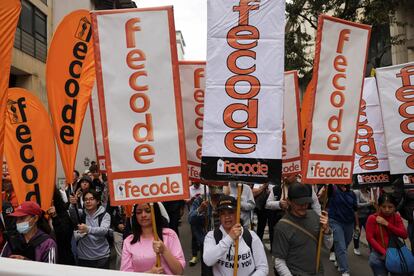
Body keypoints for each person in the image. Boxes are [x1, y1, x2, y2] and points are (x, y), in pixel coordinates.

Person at [273, 182, 333, 276]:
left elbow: (328, 246)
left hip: (317, 272)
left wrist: (326, 230)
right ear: (289, 201)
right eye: (299, 203)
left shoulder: (314, 216)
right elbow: (279, 261)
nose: (304, 206)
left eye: (306, 202)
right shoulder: (281, 227)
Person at [203, 195, 268, 276]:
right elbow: (208, 260)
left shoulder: (251, 236)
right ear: (219, 216)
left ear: (238, 213)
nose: (227, 217)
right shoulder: (211, 236)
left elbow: (263, 268)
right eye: (223, 213)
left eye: (231, 212)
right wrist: (229, 238)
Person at [120, 203, 185, 274]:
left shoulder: (169, 235)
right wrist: (149, 273)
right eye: (139, 212)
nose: (143, 215)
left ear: (155, 212)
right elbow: (125, 273)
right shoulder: (128, 241)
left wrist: (164, 251)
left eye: (148, 211)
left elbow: (179, 271)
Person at [366, 193, 408, 275]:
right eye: (384, 207)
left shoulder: (396, 217)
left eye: (390, 207)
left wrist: (387, 224)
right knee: (374, 261)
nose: (387, 209)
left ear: (394, 207)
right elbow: (370, 238)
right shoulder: (372, 218)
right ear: (379, 207)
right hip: (379, 255)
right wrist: (385, 253)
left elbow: (404, 235)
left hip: (396, 254)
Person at [70, 189, 111, 269]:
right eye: (85, 200)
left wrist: (88, 229)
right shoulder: (81, 213)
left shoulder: (105, 215)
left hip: (102, 256)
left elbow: (104, 230)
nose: (88, 202)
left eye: (91, 199)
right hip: (84, 257)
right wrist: (72, 204)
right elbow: (73, 213)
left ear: (98, 201)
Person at [189, 186, 223, 275]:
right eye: (214, 194)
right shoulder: (200, 200)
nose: (216, 196)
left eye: (218, 194)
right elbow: (190, 219)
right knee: (207, 271)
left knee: (222, 270)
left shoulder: (225, 199)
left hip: (223, 241)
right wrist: (200, 209)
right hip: (206, 241)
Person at [328, 185, 359, 276]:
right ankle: (345, 271)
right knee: (340, 246)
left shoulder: (352, 193)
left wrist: (357, 225)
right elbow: (325, 195)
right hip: (335, 221)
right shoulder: (332, 189)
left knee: (345, 244)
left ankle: (339, 259)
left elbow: (355, 210)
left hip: (349, 223)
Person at [47, 190, 75, 265]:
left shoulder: (62, 214)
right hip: (46, 260)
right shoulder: (39, 217)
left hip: (63, 260)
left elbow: (64, 236)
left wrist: (55, 217)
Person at [187, 182, 209, 266]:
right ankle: (194, 255)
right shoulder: (191, 190)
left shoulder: (205, 187)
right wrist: (199, 208)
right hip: (196, 216)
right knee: (194, 236)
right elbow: (187, 202)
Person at [353, 187, 376, 256]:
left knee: (370, 233)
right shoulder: (357, 192)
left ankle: (372, 249)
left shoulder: (369, 193)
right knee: (357, 233)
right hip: (358, 217)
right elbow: (356, 205)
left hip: (367, 217)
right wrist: (368, 203)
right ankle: (356, 247)